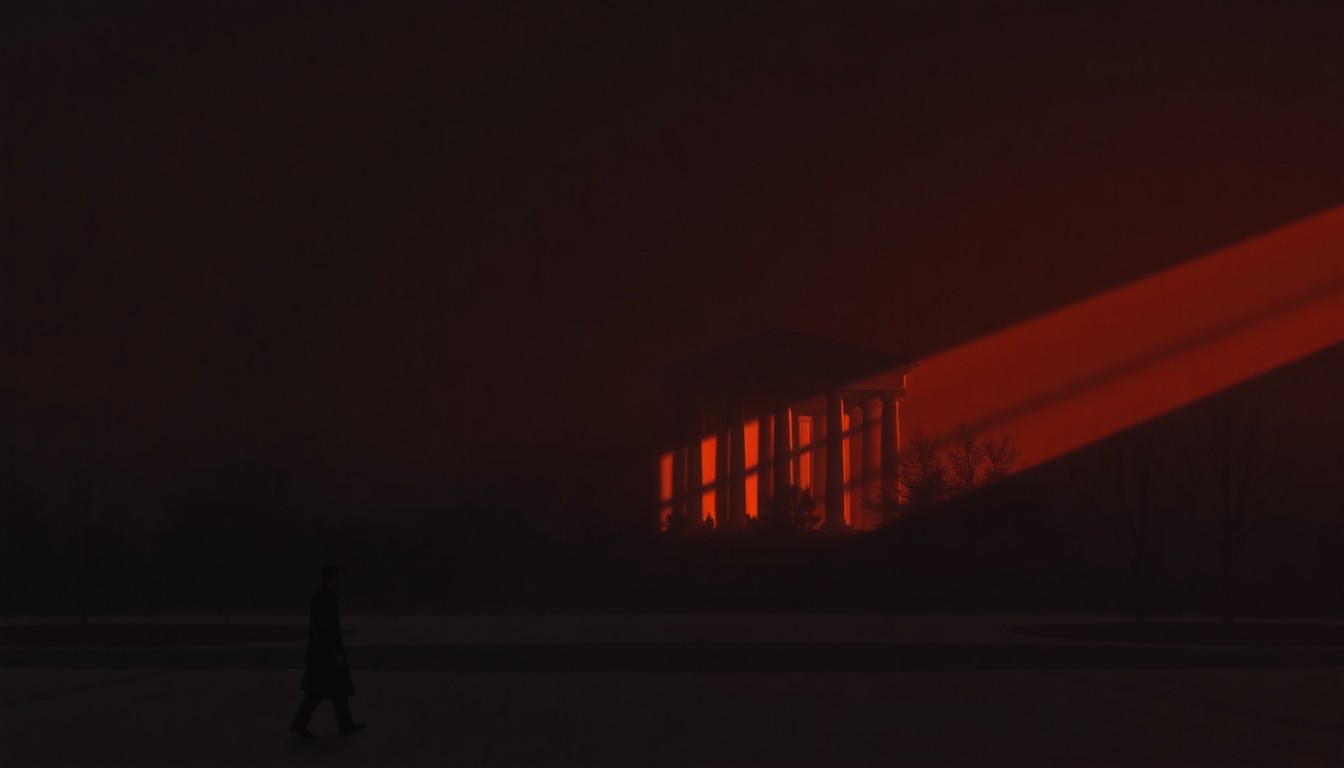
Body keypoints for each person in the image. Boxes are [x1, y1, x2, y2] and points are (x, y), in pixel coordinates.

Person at [289, 565, 365, 738]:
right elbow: (328, 629)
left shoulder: (324, 597)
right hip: (325, 655)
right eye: (338, 576)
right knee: (320, 691)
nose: (340, 580)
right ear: (331, 577)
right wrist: (336, 652)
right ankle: (302, 724)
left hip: (322, 654)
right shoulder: (325, 598)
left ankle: (343, 725)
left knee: (330, 691)